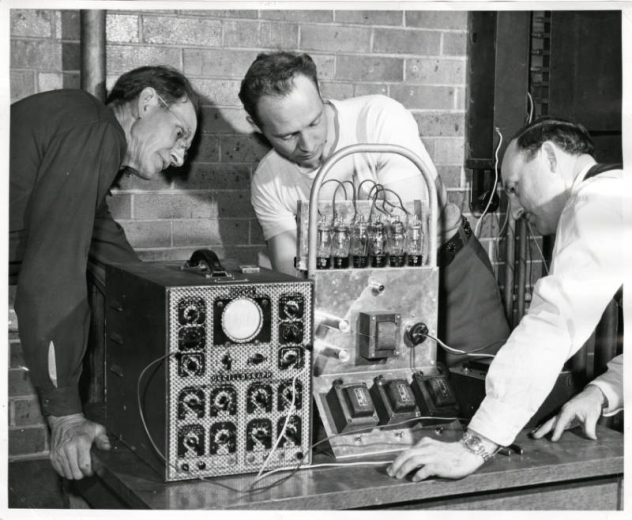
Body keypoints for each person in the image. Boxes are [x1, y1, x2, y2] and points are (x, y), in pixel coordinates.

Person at [387, 117, 625, 482]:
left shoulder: (597, 200)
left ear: (549, 157)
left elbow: (554, 323)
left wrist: (475, 446)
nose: (513, 210)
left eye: (514, 187)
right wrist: (604, 390)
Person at [238, 51, 510, 361]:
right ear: (256, 126)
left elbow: (405, 243)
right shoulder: (268, 179)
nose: (309, 145)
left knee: (483, 387)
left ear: (321, 95)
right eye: (288, 135)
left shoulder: (379, 118)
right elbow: (292, 276)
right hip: (354, 299)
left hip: (452, 281)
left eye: (314, 122)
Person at [10, 65, 199, 480]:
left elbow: (114, 260)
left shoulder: (83, 126)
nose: (180, 156)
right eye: (180, 134)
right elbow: (53, 273)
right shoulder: (96, 132)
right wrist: (64, 415)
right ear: (148, 103)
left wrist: (183, 312)